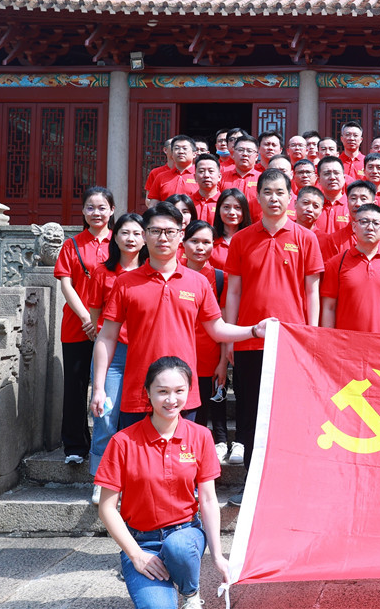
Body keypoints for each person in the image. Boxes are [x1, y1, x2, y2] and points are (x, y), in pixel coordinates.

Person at [91, 203, 268, 431]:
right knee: (138, 454)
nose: (163, 238)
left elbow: (217, 328)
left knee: (181, 453)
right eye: (155, 231)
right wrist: (98, 388)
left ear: (181, 235)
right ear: (144, 235)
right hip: (139, 392)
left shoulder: (198, 282)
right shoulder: (125, 283)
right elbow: (106, 337)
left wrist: (253, 330)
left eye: (170, 231)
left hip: (183, 392)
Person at [95, 357, 229, 609]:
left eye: (179, 391)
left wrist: (218, 556)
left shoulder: (201, 436)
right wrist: (136, 555)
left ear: (189, 391)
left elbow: (208, 499)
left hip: (184, 535)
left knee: (177, 546)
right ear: (147, 392)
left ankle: (190, 593)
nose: (171, 400)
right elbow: (106, 508)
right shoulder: (123, 442)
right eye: (162, 391)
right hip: (141, 542)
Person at [224, 169, 322, 473]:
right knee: (250, 412)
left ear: (291, 197)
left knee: (288, 412)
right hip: (248, 339)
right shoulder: (241, 239)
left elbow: (312, 292)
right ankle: (251, 481)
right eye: (267, 192)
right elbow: (233, 292)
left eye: (280, 192)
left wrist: (311, 337)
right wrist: (230, 337)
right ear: (257, 196)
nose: (274, 198)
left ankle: (286, 477)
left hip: (291, 342)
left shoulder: (306, 238)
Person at [85, 212, 146, 500]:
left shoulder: (151, 271)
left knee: (139, 419)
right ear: (115, 237)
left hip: (145, 352)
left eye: (137, 233)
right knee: (105, 415)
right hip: (114, 356)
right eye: (125, 232)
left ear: (145, 238)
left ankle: (134, 476)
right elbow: (96, 315)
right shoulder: (103, 272)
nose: (131, 239)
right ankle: (102, 478)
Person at [55, 186, 115, 464]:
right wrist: (87, 319)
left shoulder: (120, 241)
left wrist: (102, 320)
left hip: (112, 325)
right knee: (76, 387)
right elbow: (66, 285)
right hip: (76, 325)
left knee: (111, 385)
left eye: (102, 207)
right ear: (82, 211)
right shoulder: (72, 244)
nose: (96, 212)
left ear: (112, 210)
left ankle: (111, 442)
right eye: (90, 207)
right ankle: (75, 446)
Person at [181, 221, 233, 466]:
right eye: (194, 241)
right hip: (178, 357)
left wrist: (222, 362)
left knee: (200, 415)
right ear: (182, 244)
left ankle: (197, 461)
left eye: (206, 242)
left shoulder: (220, 278)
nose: (200, 247)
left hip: (208, 357)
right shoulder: (173, 274)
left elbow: (224, 323)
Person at [320, 203, 380, 334]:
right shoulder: (336, 263)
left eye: (376, 223)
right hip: (347, 341)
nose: (370, 227)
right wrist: (329, 338)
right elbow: (329, 307)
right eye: (364, 222)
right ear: (354, 226)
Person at [146, 135, 197, 206]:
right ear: (172, 154)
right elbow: (153, 204)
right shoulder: (161, 177)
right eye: (176, 148)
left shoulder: (201, 176)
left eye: (185, 148)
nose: (180, 151)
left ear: (194, 154)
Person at [219, 134, 262, 219]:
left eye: (249, 151)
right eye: (241, 150)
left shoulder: (262, 179)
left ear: (256, 156)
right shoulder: (221, 177)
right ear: (233, 154)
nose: (245, 154)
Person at [210, 188, 251, 269]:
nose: (232, 212)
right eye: (226, 207)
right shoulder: (210, 239)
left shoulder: (252, 240)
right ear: (218, 210)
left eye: (237, 207)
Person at [190, 153, 222, 225]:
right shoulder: (188, 202)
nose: (206, 175)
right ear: (195, 177)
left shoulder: (224, 203)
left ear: (219, 177)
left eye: (211, 171)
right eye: (201, 171)